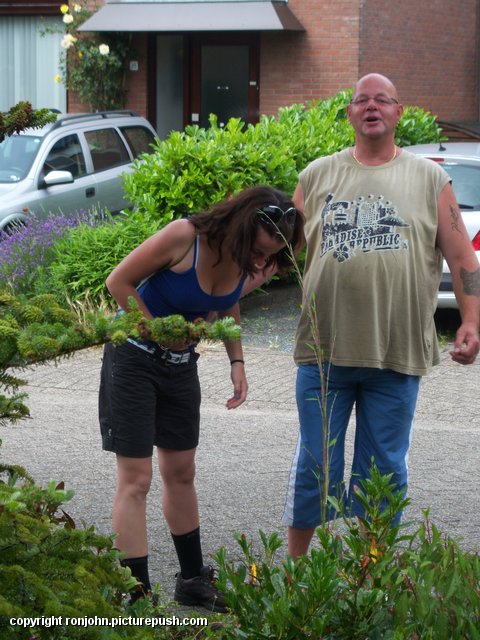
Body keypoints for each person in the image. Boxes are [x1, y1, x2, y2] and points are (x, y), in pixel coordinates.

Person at [282, 73, 480, 560]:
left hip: (396, 353)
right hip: (323, 352)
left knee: (384, 468)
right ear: (350, 113)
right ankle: (294, 571)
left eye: (383, 100)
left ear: (398, 112)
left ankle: (373, 571)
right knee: (315, 465)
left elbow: (464, 260)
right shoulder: (316, 176)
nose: (372, 107)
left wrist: (472, 322)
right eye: (362, 100)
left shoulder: (430, 178)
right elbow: (277, 251)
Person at [98, 185, 303, 610]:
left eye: (271, 256)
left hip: (180, 367)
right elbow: (118, 281)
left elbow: (226, 300)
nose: (263, 264)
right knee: (136, 479)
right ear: (242, 230)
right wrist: (159, 331)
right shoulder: (184, 237)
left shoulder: (255, 258)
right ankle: (136, 597)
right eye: (260, 253)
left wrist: (237, 361)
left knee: (182, 472)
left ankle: (192, 581)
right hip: (133, 359)